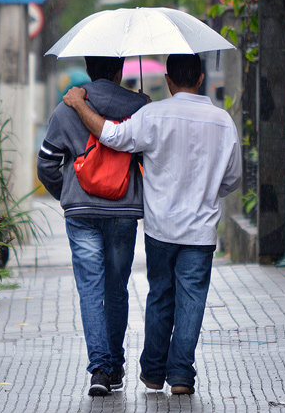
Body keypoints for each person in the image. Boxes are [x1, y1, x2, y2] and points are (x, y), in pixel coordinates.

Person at [63, 53, 242, 395]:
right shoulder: (223, 121)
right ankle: (181, 376)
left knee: (160, 295)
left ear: (169, 80)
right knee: (191, 300)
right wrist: (206, 191)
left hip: (160, 228)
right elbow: (231, 179)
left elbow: (111, 136)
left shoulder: (153, 114)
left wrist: (79, 104)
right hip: (200, 231)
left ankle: (154, 373)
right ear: (201, 79)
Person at [37, 56, 148, 396]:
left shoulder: (68, 107)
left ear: (89, 69)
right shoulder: (141, 107)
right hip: (123, 212)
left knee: (90, 290)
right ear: (120, 72)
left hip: (81, 212)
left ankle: (99, 369)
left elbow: (46, 164)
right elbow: (149, 158)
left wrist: (68, 192)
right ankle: (115, 366)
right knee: (117, 289)